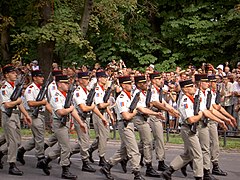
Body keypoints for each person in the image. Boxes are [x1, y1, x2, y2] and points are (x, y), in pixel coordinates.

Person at [37, 75, 87, 179]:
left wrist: (80, 123)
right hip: (59, 123)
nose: (67, 85)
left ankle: (45, 161)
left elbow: (72, 111)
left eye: (68, 83)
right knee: (66, 147)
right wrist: (71, 108)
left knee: (61, 146)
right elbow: (60, 112)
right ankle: (65, 169)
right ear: (59, 84)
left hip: (66, 122)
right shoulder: (56, 96)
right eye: (65, 83)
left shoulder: (66, 95)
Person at [100, 75, 145, 180]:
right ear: (123, 85)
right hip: (124, 124)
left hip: (129, 124)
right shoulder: (121, 98)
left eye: (131, 83)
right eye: (129, 84)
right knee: (134, 150)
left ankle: (107, 166)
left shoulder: (130, 96)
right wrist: (136, 111)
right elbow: (126, 115)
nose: (131, 85)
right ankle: (137, 174)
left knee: (123, 151)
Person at [162, 79, 204, 180]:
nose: (194, 88)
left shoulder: (191, 99)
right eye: (191, 86)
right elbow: (190, 119)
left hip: (191, 128)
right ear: (185, 89)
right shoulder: (185, 101)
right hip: (188, 129)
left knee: (189, 154)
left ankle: (169, 170)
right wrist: (201, 114)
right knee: (198, 155)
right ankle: (199, 177)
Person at [71, 71, 108, 172]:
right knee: (85, 142)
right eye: (85, 79)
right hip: (79, 117)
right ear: (80, 80)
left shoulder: (87, 91)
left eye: (88, 79)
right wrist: (92, 107)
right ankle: (85, 162)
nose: (87, 81)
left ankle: (66, 153)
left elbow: (93, 108)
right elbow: (83, 108)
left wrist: (102, 117)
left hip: (86, 118)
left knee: (84, 141)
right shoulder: (78, 92)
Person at [0, 65, 32, 175]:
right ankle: (12, 165)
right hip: (8, 116)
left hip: (16, 115)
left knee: (17, 141)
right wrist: (17, 101)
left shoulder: (14, 87)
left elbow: (19, 103)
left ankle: (1, 154)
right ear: (6, 75)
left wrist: (26, 115)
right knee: (13, 141)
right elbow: (8, 104)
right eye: (12, 73)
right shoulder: (5, 88)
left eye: (15, 73)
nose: (15, 74)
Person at [17, 70, 52, 167]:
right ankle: (40, 158)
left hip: (41, 114)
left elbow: (46, 103)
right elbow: (30, 103)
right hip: (33, 114)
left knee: (37, 137)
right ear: (34, 78)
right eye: (40, 77)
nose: (42, 78)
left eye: (42, 77)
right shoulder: (30, 89)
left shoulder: (41, 88)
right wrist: (42, 102)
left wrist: (53, 113)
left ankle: (21, 151)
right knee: (40, 136)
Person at [88, 71, 114, 166]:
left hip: (103, 114)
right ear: (99, 78)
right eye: (104, 77)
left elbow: (105, 104)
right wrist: (109, 103)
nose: (106, 79)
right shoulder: (97, 89)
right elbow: (101, 104)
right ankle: (101, 156)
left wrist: (110, 115)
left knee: (104, 137)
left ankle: (90, 150)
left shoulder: (103, 89)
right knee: (103, 136)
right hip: (98, 114)